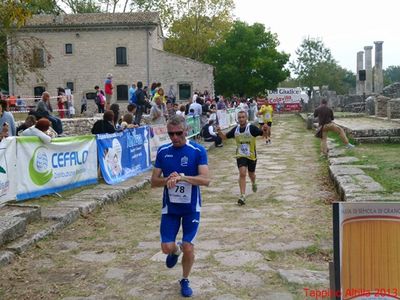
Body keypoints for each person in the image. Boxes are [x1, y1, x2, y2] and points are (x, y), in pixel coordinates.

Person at [150, 115, 210, 298]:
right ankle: (175, 252)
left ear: (186, 131)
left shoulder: (197, 150)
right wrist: (167, 179)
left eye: (178, 133)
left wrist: (183, 177)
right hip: (171, 209)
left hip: (191, 207)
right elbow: (153, 182)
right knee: (166, 248)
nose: (175, 137)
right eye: (171, 134)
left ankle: (184, 279)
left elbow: (206, 180)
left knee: (188, 246)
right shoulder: (163, 152)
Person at [217, 110, 267, 206]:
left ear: (246, 118)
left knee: (251, 174)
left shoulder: (251, 128)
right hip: (240, 155)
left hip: (252, 156)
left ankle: (253, 182)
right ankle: (242, 196)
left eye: (243, 117)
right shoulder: (235, 130)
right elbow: (224, 138)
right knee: (242, 173)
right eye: (239, 117)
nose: (241, 119)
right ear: (237, 119)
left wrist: (265, 130)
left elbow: (264, 135)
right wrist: (219, 132)